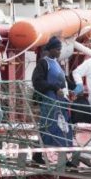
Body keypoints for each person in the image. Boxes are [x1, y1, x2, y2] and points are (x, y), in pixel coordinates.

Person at [31, 37, 77, 166]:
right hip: (49, 101)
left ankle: (62, 158)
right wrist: (54, 88)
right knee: (49, 127)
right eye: (57, 49)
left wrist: (74, 89)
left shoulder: (57, 64)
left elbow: (65, 81)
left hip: (61, 101)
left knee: (64, 129)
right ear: (51, 49)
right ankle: (40, 154)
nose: (59, 52)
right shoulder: (43, 63)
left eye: (60, 49)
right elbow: (37, 81)